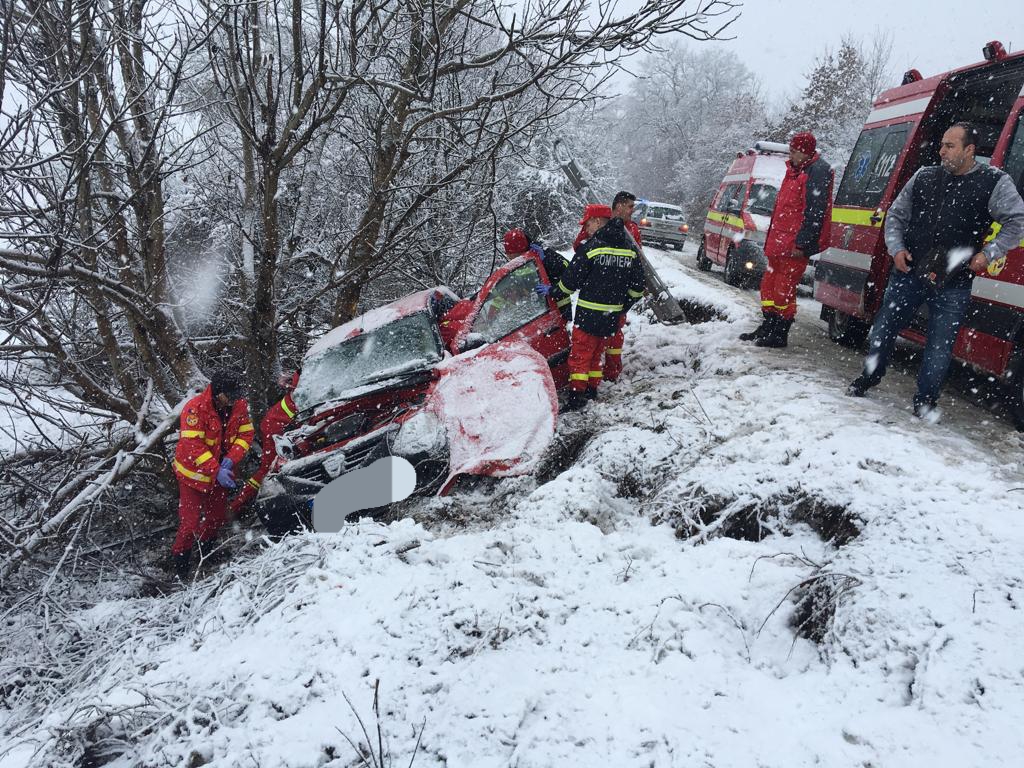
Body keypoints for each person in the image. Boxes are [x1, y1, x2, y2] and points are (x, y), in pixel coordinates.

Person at [848, 121, 1024, 418]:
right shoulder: (924, 176)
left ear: (970, 150)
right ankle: (869, 376)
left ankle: (925, 401)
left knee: (940, 346)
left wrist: (988, 253)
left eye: (950, 146)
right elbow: (896, 217)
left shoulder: (994, 182)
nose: (941, 151)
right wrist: (896, 248)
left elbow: (1016, 221)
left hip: (955, 281)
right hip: (910, 273)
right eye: (942, 144)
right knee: (884, 328)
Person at [739, 131, 834, 348]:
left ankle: (780, 332)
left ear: (804, 151)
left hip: (793, 245)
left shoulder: (816, 172)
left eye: (793, 151)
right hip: (779, 241)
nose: (789, 155)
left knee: (784, 288)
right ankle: (769, 325)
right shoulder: (794, 170)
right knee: (770, 285)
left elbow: (815, 212)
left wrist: (802, 243)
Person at [554, 204, 646, 411]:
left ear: (596, 222)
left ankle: (577, 395)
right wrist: (622, 307)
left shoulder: (592, 247)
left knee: (580, 356)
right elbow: (638, 288)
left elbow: (569, 282)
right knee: (596, 354)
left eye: (586, 224)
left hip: (588, 315)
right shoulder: (629, 249)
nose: (585, 229)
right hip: (611, 317)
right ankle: (592, 390)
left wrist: (555, 292)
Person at [171, 369, 254, 578]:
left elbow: (246, 434)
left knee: (216, 518)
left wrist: (232, 458)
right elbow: (193, 446)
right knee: (189, 525)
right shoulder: (195, 409)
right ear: (218, 393)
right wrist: (215, 470)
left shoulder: (239, 405)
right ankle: (180, 571)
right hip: (193, 477)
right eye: (230, 395)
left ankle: (204, 556)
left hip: (221, 475)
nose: (235, 399)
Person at [228, 369, 300, 519]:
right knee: (268, 468)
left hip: (282, 425)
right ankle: (236, 506)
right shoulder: (280, 415)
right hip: (275, 427)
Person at [604, 191, 645, 382]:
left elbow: (638, 261)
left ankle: (611, 372)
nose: (632, 211)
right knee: (595, 336)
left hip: (619, 293)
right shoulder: (600, 222)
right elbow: (580, 246)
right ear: (619, 206)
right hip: (598, 291)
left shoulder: (633, 230)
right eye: (630, 206)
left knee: (614, 334)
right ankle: (596, 371)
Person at [503, 228, 573, 319]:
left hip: (560, 308)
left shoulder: (542, 252)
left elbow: (569, 270)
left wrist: (547, 261)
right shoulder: (518, 264)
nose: (509, 257)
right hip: (539, 312)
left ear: (520, 250)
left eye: (511, 254)